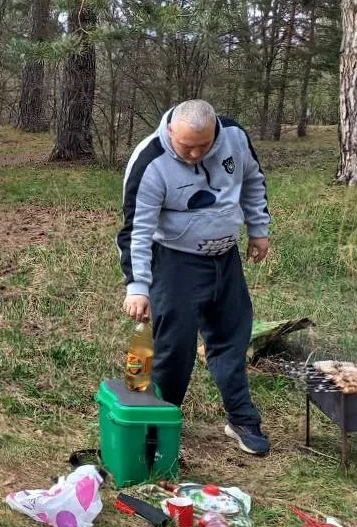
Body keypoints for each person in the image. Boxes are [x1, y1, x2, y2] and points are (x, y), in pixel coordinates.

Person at [117, 99, 272, 456]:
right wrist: (138, 287)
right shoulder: (150, 160)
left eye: (203, 146)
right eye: (186, 145)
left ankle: (241, 419)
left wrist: (258, 229)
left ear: (215, 129)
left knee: (233, 336)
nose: (194, 154)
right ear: (171, 130)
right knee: (176, 349)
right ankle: (157, 429)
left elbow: (252, 179)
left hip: (225, 256)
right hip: (175, 261)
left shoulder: (234, 136)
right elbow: (135, 232)